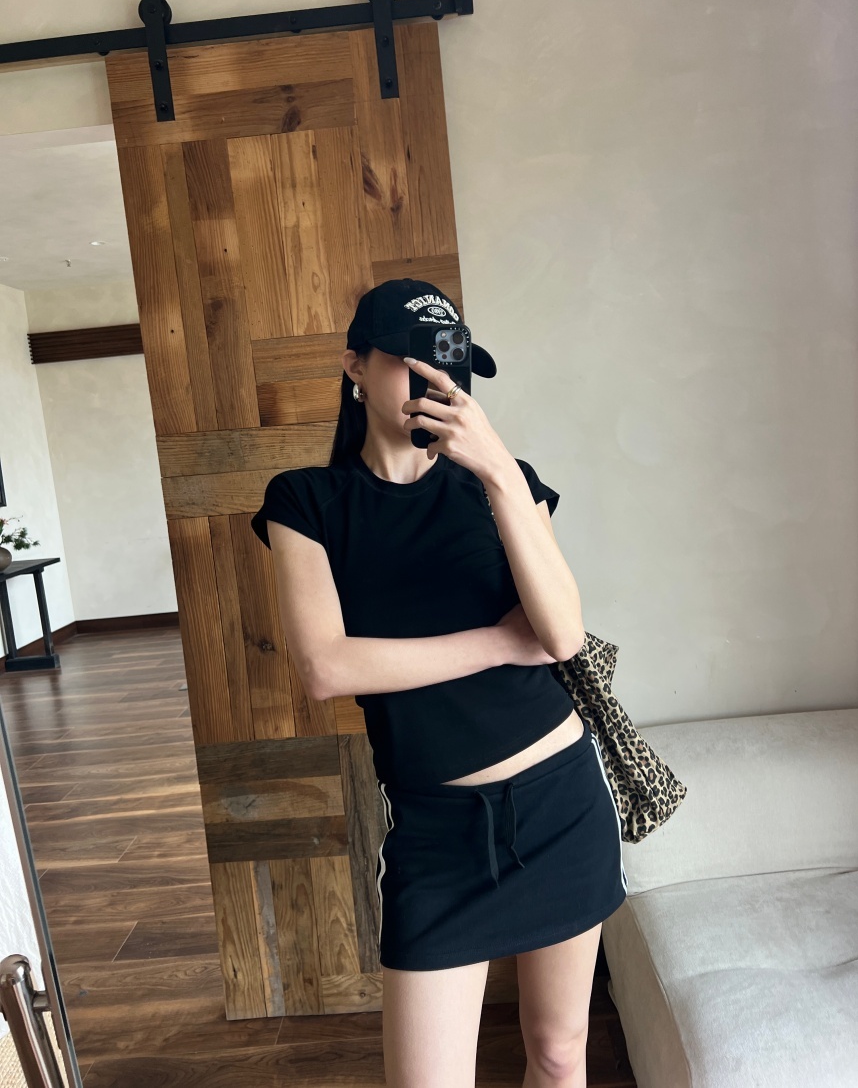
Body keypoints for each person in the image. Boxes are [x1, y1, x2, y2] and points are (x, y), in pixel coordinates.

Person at [250, 278, 627, 1088]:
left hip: (561, 803)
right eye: (409, 362)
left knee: (559, 1054)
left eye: (451, 366)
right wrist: (497, 642)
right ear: (355, 365)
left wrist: (497, 470)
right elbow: (326, 666)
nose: (435, 382)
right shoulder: (307, 501)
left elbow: (561, 635)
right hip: (435, 831)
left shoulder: (504, 483)